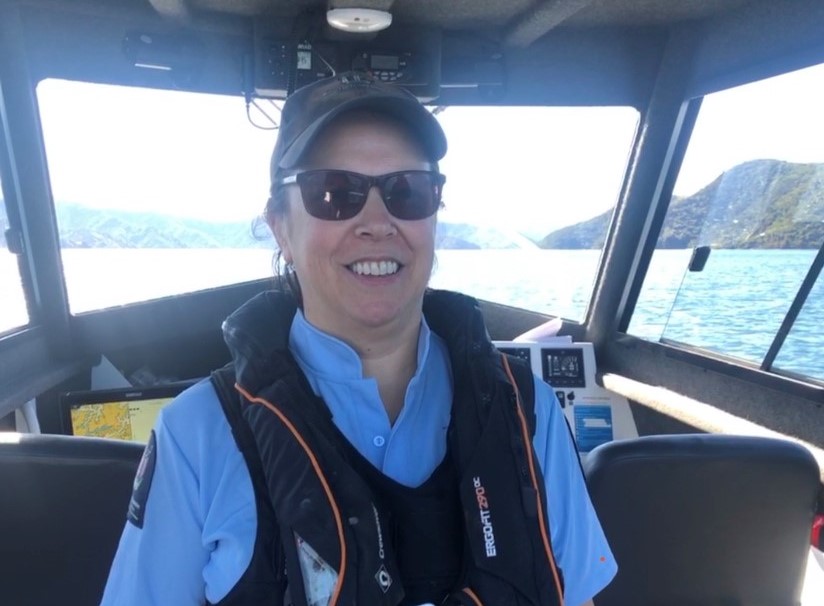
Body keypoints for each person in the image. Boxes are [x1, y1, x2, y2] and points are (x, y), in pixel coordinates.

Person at [100, 71, 617, 606]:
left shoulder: (527, 411)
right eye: (334, 192)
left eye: (407, 191)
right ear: (280, 225)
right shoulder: (198, 434)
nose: (377, 221)